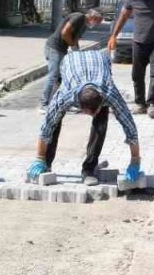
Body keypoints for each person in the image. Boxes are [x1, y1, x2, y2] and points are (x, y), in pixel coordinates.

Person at [28, 49, 143, 187]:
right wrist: (39, 157)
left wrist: (135, 161)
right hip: (69, 63)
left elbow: (129, 125)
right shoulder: (66, 95)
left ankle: (88, 169)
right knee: (54, 120)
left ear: (101, 102)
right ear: (79, 107)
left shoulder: (109, 93)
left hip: (100, 61)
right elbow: (47, 124)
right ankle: (45, 164)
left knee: (101, 122)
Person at [41, 7, 104, 110]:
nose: (98, 24)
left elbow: (75, 39)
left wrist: (77, 53)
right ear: (93, 17)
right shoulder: (78, 17)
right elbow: (65, 33)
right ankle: (43, 104)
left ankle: (63, 103)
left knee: (65, 77)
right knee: (54, 76)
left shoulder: (83, 26)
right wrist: (72, 45)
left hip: (62, 49)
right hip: (54, 48)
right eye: (98, 21)